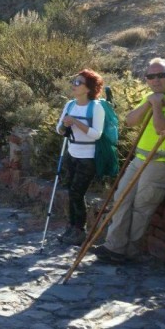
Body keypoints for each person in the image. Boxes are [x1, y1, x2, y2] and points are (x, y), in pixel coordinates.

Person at [92, 59, 165, 263]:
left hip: (164, 160)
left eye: (161, 75)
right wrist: (148, 102)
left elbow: (161, 129)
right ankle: (114, 246)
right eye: (150, 76)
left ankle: (130, 250)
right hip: (141, 157)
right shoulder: (149, 96)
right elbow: (130, 121)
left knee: (142, 205)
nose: (155, 80)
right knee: (121, 199)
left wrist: (156, 106)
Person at [55, 69, 105, 246]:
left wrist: (75, 122)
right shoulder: (69, 105)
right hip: (72, 153)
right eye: (74, 82)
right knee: (71, 191)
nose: (73, 86)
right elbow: (59, 130)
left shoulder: (96, 108)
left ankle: (79, 230)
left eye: (78, 83)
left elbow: (96, 134)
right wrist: (64, 126)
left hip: (88, 157)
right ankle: (72, 226)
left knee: (77, 192)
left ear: (89, 88)